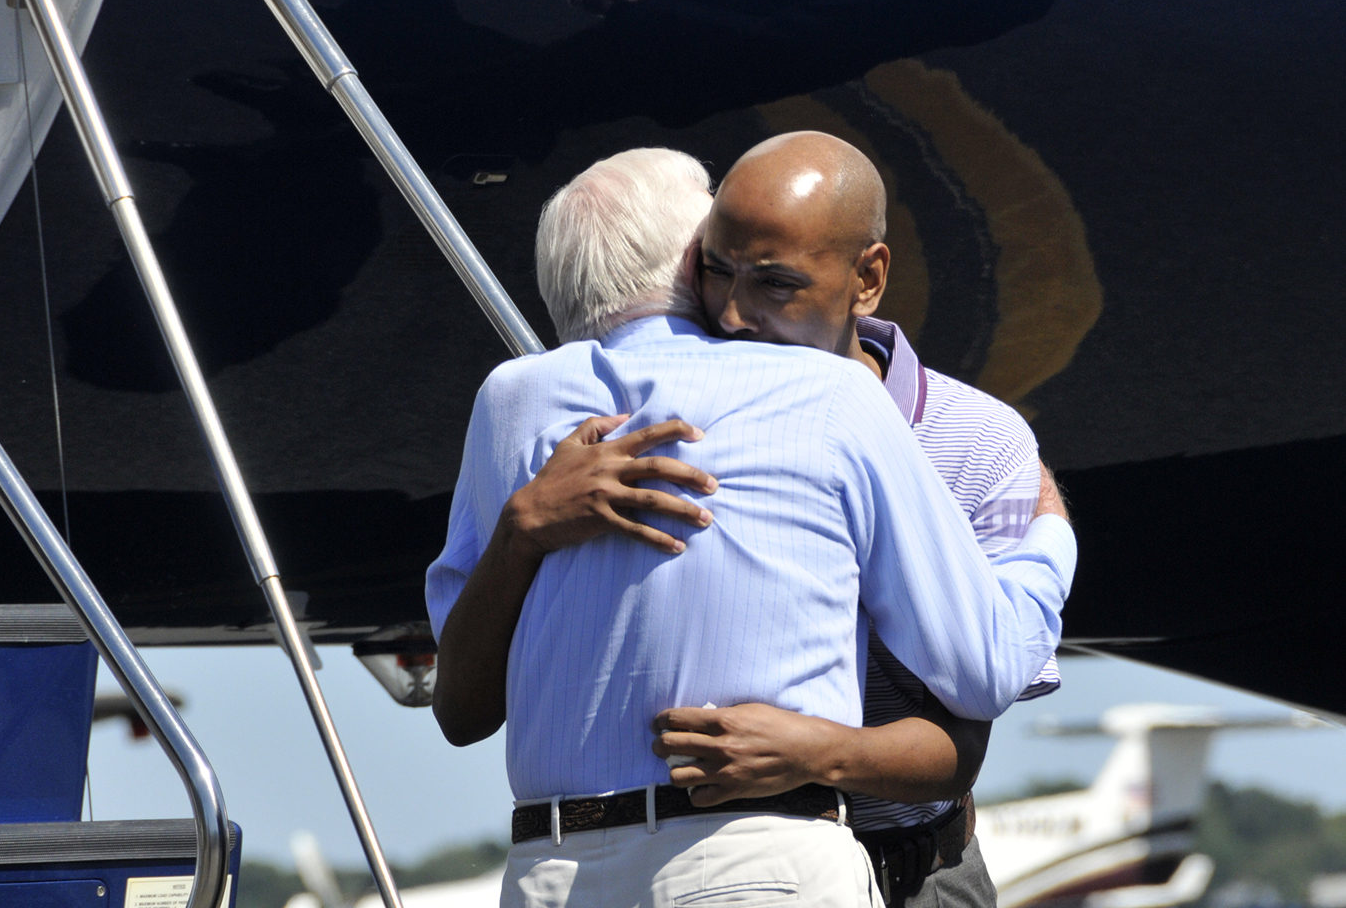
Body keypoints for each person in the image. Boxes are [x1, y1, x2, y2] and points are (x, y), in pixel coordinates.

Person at [426, 147, 1076, 908]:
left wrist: (523, 526)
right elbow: (988, 672)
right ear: (688, 260)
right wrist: (1052, 535)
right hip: (762, 862)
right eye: (717, 267)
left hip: (557, 868)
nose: (734, 313)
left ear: (867, 278)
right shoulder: (838, 399)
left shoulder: (514, 401)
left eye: (771, 280)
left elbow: (461, 711)